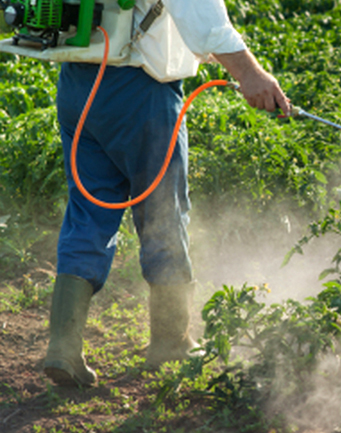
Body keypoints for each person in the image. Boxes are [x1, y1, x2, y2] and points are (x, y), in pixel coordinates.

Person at [44, 0, 291, 387]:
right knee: (163, 211)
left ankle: (63, 346)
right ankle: (171, 341)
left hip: (77, 85)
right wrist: (250, 74)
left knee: (88, 212)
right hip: (139, 91)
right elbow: (200, 15)